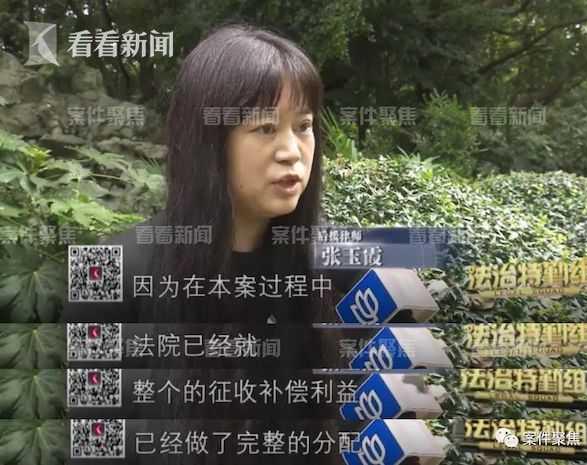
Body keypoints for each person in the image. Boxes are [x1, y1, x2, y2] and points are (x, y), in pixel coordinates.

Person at [62, 23, 363, 464]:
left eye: (303, 126)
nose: (292, 151)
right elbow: (95, 444)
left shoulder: (341, 272)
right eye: (265, 128)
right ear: (207, 141)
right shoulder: (105, 272)